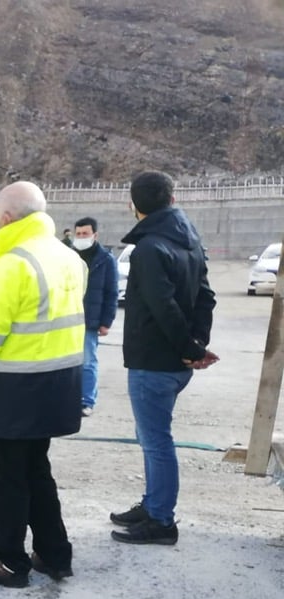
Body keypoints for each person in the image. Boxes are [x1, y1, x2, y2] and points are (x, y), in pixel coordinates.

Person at [0, 182, 86, 587]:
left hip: (14, 393)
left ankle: (8, 562)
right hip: (56, 386)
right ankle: (55, 554)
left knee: (5, 480)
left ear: (5, 218)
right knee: (36, 472)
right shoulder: (69, 258)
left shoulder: (9, 267)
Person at [110, 171, 218, 546]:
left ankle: (161, 521)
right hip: (174, 362)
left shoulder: (149, 248)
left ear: (133, 204)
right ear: (172, 199)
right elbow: (206, 297)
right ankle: (153, 504)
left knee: (156, 442)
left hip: (154, 362)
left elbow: (163, 307)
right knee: (151, 437)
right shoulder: (189, 240)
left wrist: (191, 349)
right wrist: (196, 344)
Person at [71, 216, 120, 416]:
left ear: (95, 235)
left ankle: (87, 400)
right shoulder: (67, 255)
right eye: (78, 233)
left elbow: (111, 292)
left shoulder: (105, 259)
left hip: (89, 319)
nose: (81, 237)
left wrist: (106, 321)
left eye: (85, 233)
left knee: (88, 361)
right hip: (67, 318)